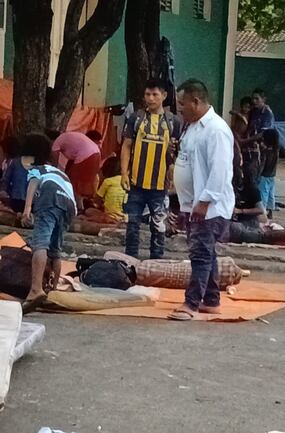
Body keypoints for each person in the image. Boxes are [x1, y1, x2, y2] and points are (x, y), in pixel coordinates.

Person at [168, 79, 234, 321]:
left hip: (209, 207)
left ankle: (191, 303)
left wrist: (205, 201)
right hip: (193, 204)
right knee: (207, 253)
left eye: (182, 104)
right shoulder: (193, 127)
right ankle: (211, 300)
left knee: (200, 255)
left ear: (196, 101)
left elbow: (221, 171)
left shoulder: (216, 130)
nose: (180, 109)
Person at [120, 79, 182, 259]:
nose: (151, 98)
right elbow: (126, 146)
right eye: (147, 94)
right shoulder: (136, 118)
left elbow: (177, 152)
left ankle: (157, 262)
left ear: (164, 96)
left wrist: (174, 176)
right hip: (135, 184)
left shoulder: (173, 122)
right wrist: (124, 173)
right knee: (132, 226)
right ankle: (130, 261)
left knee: (159, 226)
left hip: (160, 187)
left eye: (155, 94)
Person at [20, 133, 76, 314]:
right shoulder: (58, 170)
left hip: (49, 197)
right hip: (69, 205)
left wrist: (27, 209)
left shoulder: (36, 169)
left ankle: (36, 289)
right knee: (55, 250)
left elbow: (33, 184)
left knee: (40, 243)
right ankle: (52, 291)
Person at [50, 130, 102, 212]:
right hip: (96, 154)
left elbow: (54, 163)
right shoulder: (69, 138)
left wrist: (52, 174)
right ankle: (79, 205)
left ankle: (75, 208)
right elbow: (70, 165)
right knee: (75, 182)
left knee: (73, 184)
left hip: (86, 156)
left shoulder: (57, 141)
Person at [239, 88, 274, 184]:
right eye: (253, 99)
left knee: (258, 176)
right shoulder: (253, 111)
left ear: (264, 99)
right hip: (250, 149)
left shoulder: (267, 113)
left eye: (257, 99)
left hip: (262, 150)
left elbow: (263, 133)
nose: (254, 101)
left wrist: (245, 140)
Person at [87, 156, 127, 223]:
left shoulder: (107, 181)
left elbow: (96, 200)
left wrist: (95, 187)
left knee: (89, 211)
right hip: (125, 216)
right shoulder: (126, 182)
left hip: (110, 216)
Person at [229, 96, 252, 191]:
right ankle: (237, 183)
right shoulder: (238, 116)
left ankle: (239, 183)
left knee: (239, 162)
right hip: (235, 139)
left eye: (248, 107)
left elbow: (246, 124)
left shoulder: (249, 117)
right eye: (244, 107)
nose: (246, 109)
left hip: (241, 141)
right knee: (236, 162)